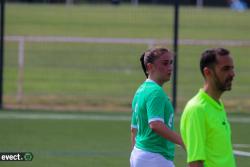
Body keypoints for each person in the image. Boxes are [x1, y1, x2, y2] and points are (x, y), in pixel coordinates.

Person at [180, 48, 236, 167]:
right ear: (207, 72)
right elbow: (195, 163)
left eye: (232, 68)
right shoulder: (197, 109)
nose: (232, 74)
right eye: (226, 69)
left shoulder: (217, 104)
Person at [130, 47, 184, 167]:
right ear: (150, 67)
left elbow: (133, 129)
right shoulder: (155, 92)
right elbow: (155, 124)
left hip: (140, 154)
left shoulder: (140, 91)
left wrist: (136, 156)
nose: (170, 68)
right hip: (155, 157)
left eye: (171, 63)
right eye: (165, 63)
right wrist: (184, 142)